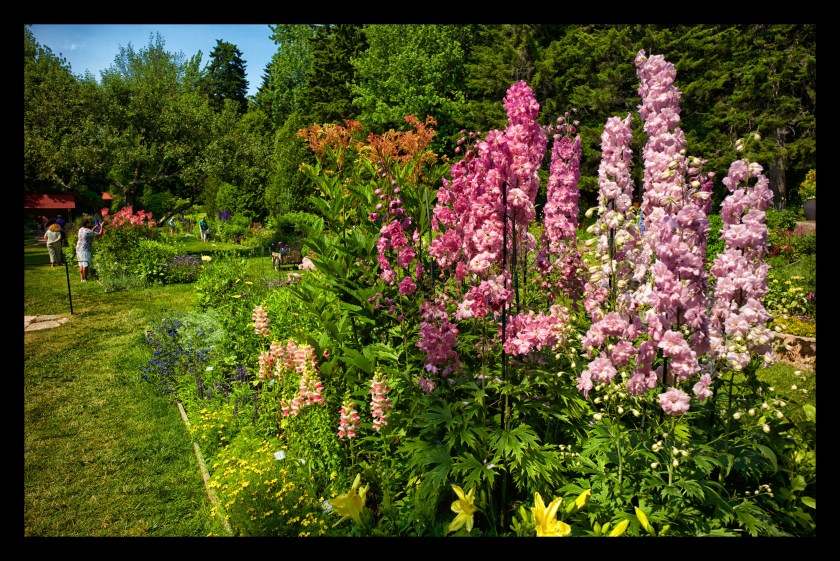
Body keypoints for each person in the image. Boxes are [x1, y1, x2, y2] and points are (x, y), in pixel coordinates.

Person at [75, 218, 104, 282]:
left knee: (81, 264)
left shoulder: (81, 229)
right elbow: (100, 234)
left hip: (78, 248)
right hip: (85, 249)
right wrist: (101, 226)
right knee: (85, 264)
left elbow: (90, 233)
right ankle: (85, 279)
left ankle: (82, 279)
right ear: (87, 224)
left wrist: (95, 227)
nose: (90, 223)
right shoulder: (88, 231)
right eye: (89, 222)